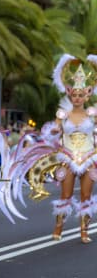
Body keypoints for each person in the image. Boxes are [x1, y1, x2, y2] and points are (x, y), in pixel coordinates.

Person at [40, 55, 97, 243]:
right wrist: (55, 131)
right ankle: (58, 229)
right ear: (69, 93)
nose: (78, 98)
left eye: (81, 95)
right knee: (65, 195)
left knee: (86, 196)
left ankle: (83, 232)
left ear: (88, 94)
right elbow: (51, 135)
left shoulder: (93, 114)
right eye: (74, 95)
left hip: (89, 158)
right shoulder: (62, 114)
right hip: (67, 157)